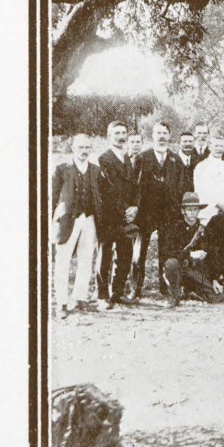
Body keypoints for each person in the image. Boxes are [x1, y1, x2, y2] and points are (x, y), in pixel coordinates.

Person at [131, 122, 186, 301]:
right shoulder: (141, 158)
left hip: (168, 213)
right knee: (139, 253)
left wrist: (177, 209)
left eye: (164, 133)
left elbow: (180, 187)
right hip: (146, 212)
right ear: (152, 135)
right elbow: (134, 187)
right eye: (158, 133)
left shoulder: (175, 160)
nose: (161, 136)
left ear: (169, 136)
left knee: (166, 250)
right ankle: (135, 288)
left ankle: (166, 288)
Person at [52, 133, 104, 316]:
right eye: (80, 147)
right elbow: (52, 198)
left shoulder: (96, 170)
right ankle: (62, 303)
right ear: (73, 148)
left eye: (87, 147)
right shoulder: (61, 169)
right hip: (68, 220)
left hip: (89, 219)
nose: (84, 151)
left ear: (91, 149)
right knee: (63, 260)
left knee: (86, 259)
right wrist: (52, 221)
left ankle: (79, 299)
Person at [96, 120, 137, 309]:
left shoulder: (127, 158)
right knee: (105, 256)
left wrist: (134, 207)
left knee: (125, 255)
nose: (121, 136)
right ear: (109, 136)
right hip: (109, 216)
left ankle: (117, 292)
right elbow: (108, 190)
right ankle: (102, 296)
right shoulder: (104, 159)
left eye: (123, 133)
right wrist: (124, 211)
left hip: (127, 215)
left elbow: (133, 186)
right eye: (117, 133)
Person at [159, 192, 224, 306]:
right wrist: (190, 255)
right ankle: (175, 295)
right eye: (189, 209)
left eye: (195, 209)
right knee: (171, 263)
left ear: (199, 210)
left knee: (217, 297)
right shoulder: (174, 228)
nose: (192, 212)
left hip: (195, 271)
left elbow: (212, 254)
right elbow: (167, 252)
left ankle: (191, 290)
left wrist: (214, 279)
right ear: (183, 211)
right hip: (179, 270)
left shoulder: (204, 230)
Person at [192, 136, 224, 221]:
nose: (219, 149)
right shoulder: (201, 166)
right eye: (216, 146)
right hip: (208, 213)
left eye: (221, 146)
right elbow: (200, 190)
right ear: (209, 147)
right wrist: (217, 203)